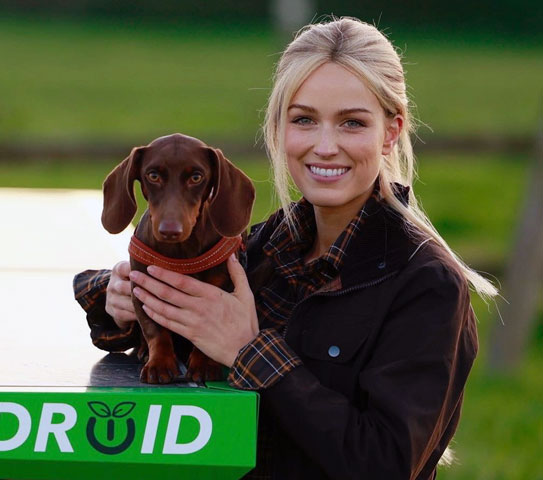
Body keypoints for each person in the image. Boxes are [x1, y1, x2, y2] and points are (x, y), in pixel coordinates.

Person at [74, 17, 496, 479]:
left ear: (390, 132)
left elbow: (386, 464)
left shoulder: (426, 284)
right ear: (279, 128)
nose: (325, 146)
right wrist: (119, 299)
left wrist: (249, 352)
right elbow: (175, 330)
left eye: (352, 122)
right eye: (304, 120)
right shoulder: (269, 245)